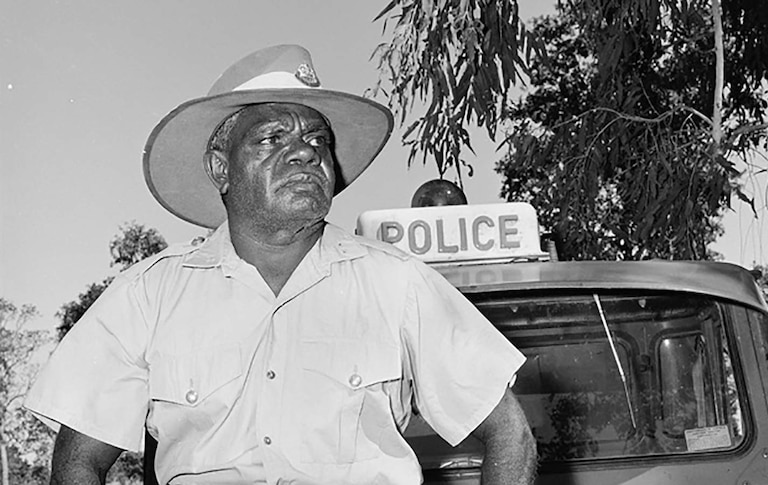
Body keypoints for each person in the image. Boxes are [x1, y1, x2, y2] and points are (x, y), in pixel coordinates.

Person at [26, 44, 537, 484]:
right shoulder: (148, 294)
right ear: (220, 168)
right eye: (273, 139)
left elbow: (510, 435)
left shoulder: (397, 281)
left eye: (318, 140)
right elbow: (79, 460)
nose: (305, 154)